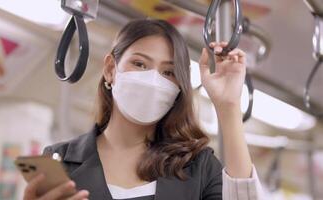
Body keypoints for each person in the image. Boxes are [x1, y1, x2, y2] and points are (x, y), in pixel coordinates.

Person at [23, 19, 263, 200]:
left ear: (179, 86)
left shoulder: (199, 168)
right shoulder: (59, 162)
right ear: (110, 69)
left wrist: (229, 107)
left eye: (168, 72)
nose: (152, 81)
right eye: (139, 64)